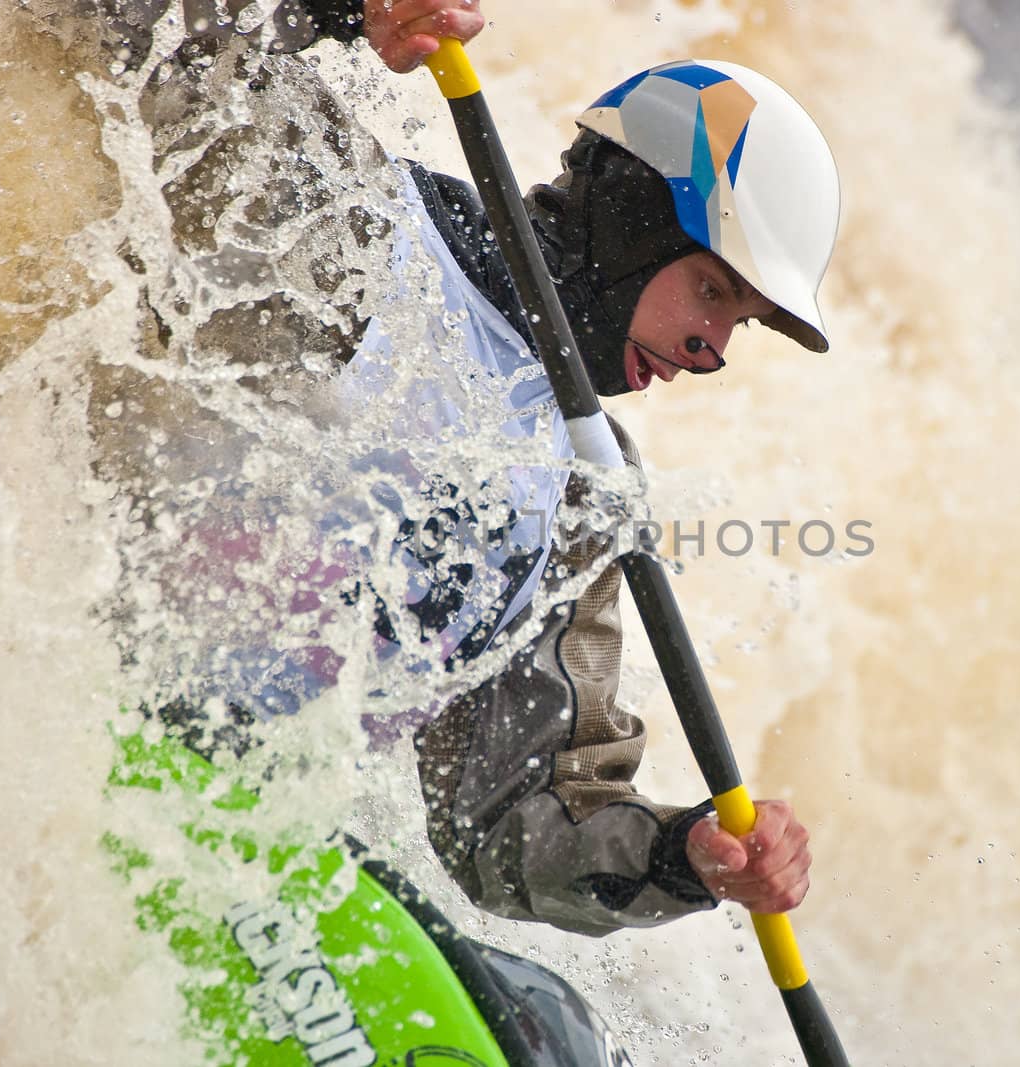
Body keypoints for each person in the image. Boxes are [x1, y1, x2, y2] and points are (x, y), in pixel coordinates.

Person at [321, 1, 842, 936]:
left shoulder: (584, 493)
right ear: (631, 221)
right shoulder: (360, 222)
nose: (710, 349)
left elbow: (510, 825)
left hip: (244, 813)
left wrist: (685, 858)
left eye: (741, 323)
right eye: (711, 291)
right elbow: (125, 51)